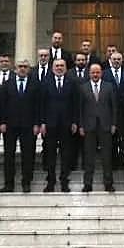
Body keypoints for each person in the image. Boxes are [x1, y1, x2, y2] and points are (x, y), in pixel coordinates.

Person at [0, 57, 39, 193]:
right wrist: (2, 122)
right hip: (10, 125)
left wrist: (37, 124)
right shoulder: (7, 84)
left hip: (28, 126)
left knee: (28, 155)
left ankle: (26, 182)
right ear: (15, 68)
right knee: (9, 155)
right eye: (20, 66)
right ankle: (9, 183)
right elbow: (2, 105)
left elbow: (38, 106)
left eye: (25, 67)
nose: (22, 69)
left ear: (29, 69)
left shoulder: (35, 84)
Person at [39, 56, 79, 191]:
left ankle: (64, 180)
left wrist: (74, 121)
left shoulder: (72, 83)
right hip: (50, 124)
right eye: (57, 66)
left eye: (62, 66)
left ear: (66, 68)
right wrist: (42, 122)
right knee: (50, 154)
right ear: (52, 68)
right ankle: (51, 180)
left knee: (66, 153)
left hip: (67, 124)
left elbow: (75, 104)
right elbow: (42, 104)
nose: (59, 68)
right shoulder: (45, 83)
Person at [77, 62, 117, 192]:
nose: (95, 74)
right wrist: (81, 126)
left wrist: (113, 124)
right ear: (89, 73)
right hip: (89, 126)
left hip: (105, 126)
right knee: (89, 157)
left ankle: (108, 183)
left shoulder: (109, 86)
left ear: (101, 73)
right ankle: (87, 183)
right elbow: (80, 108)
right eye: (93, 72)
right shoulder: (83, 88)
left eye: (97, 72)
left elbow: (114, 107)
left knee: (107, 156)